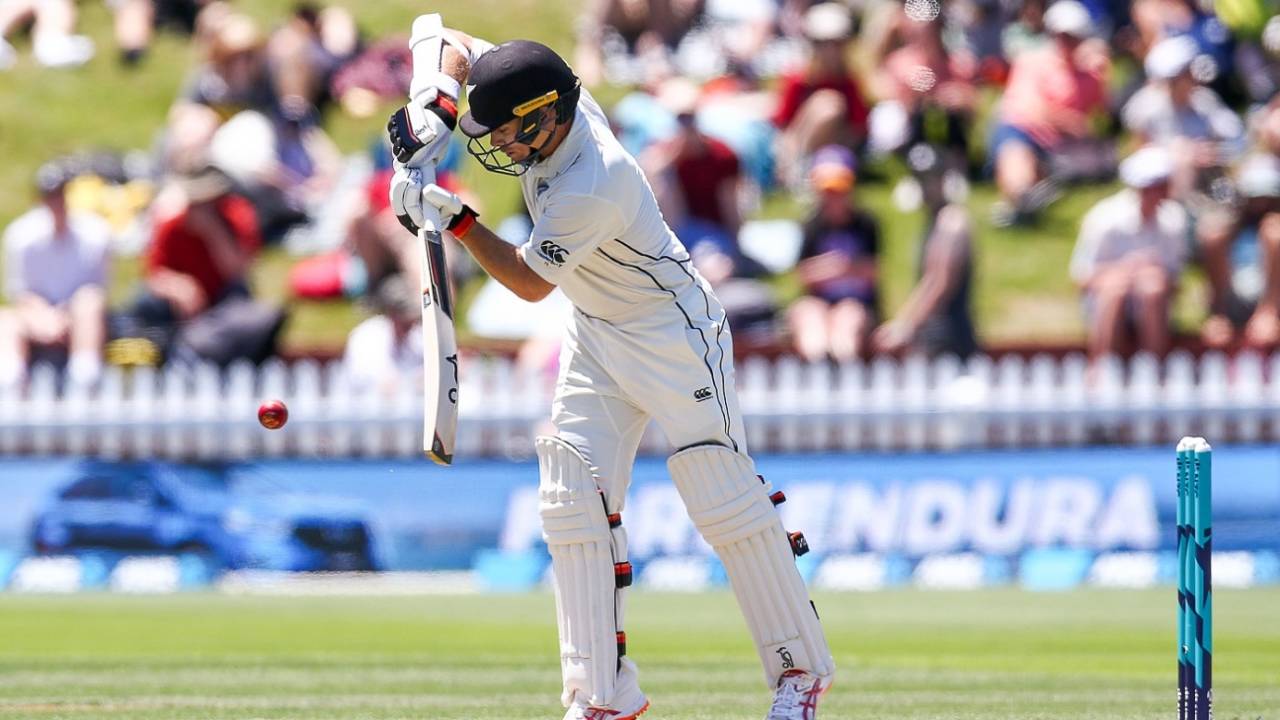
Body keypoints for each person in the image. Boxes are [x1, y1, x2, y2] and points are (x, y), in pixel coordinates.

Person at [384, 16, 833, 720]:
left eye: (508, 132)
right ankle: (602, 696)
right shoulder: (560, 98)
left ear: (546, 117)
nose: (501, 144)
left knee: (723, 497)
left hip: (672, 334)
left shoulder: (594, 181)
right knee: (571, 497)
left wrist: (457, 219)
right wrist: (434, 102)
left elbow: (531, 284)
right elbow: (443, 34)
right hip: (598, 334)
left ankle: (798, 675)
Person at [989, 0, 1109, 225]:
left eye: (1072, 37)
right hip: (1023, 130)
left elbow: (1101, 118)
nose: (1065, 43)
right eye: (1061, 36)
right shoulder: (1031, 61)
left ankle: (1026, 202)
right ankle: (1021, 198)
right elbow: (1025, 108)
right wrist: (1069, 122)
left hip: (1060, 144)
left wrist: (1103, 71)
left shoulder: (1090, 74)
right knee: (1016, 153)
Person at [1069, 146, 1189, 359]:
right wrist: (1126, 271)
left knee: (1153, 286)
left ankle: (1156, 366)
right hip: (1107, 299)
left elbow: (1176, 279)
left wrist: (1151, 273)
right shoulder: (1105, 219)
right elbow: (1082, 277)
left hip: (1153, 300)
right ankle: (1102, 365)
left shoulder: (1174, 220)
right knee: (1115, 289)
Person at [0, 161, 110, 389]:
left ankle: (85, 376)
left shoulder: (95, 234)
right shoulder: (21, 237)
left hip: (77, 316)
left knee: (89, 304)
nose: (57, 204)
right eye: (51, 197)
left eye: (61, 196)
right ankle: (11, 383)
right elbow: (22, 293)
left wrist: (63, 318)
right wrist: (44, 319)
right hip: (36, 314)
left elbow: (95, 289)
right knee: (6, 320)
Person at [871, 143, 979, 359]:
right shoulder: (934, 220)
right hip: (931, 334)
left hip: (950, 337)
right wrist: (902, 321)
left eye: (931, 178)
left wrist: (905, 326)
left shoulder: (952, 221)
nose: (926, 186)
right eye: (920, 179)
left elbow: (940, 281)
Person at [787, 145, 880, 362]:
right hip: (820, 302)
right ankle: (817, 364)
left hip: (856, 302)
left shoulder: (865, 225)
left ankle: (843, 366)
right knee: (809, 317)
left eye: (838, 191)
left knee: (847, 319)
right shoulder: (812, 226)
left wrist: (841, 268)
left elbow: (873, 271)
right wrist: (839, 267)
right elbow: (803, 274)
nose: (832, 198)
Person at [771, 2, 870, 188]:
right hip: (796, 148)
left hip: (837, 149)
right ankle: (799, 173)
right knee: (827, 105)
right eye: (823, 44)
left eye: (837, 43)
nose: (831, 51)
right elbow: (783, 125)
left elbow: (859, 129)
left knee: (830, 105)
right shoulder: (799, 80)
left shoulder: (849, 82)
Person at [1199, 154, 1280, 350]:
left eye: (1266, 198)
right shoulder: (1230, 231)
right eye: (1255, 198)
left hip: (1271, 299)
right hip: (1235, 298)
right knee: (1213, 233)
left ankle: (1269, 312)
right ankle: (1219, 315)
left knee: (1274, 231)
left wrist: (1269, 311)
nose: (1261, 204)